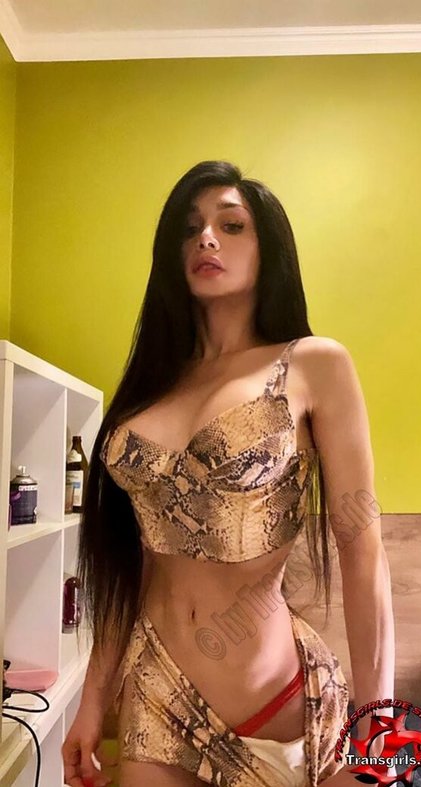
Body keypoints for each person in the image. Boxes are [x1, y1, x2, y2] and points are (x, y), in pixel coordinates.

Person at [62, 160, 395, 787]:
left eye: (231, 225)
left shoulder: (313, 364)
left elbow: (361, 548)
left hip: (274, 696)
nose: (206, 239)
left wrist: (380, 723)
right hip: (155, 692)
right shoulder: (151, 385)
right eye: (189, 229)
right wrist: (90, 701)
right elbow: (128, 565)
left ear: (269, 249)